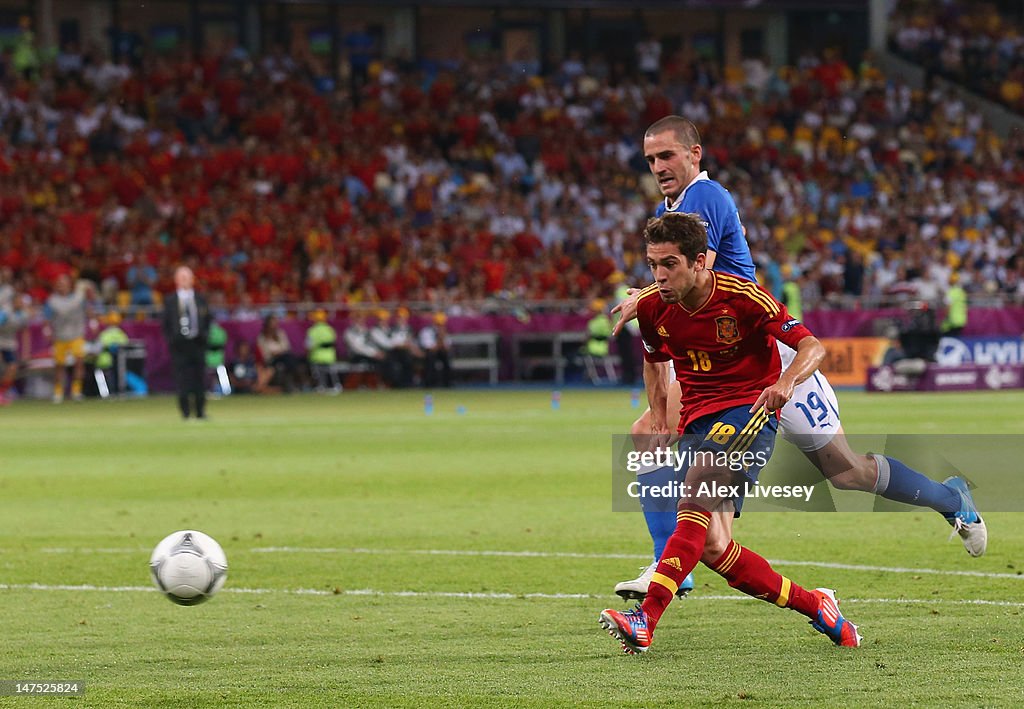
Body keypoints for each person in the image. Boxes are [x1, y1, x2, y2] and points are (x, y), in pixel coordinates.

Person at [609, 115, 986, 602]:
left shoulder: (705, 198)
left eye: (667, 155)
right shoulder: (678, 205)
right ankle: (674, 565)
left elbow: (697, 278)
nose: (659, 166)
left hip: (773, 356)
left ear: (694, 154)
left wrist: (646, 295)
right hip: (728, 363)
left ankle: (951, 498)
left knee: (846, 472)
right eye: (651, 159)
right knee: (657, 440)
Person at [600, 212, 860, 654]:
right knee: (715, 548)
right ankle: (818, 608)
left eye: (670, 265)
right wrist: (661, 418)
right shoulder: (651, 305)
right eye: (652, 264)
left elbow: (812, 347)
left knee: (694, 494)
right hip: (698, 418)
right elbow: (654, 357)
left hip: (747, 412)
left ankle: (646, 618)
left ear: (699, 262)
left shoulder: (743, 298)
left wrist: (785, 382)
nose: (659, 276)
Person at [162, 266, 211, 420]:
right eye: (181, 277)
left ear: (192, 279)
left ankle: (200, 411)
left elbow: (208, 319)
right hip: (179, 345)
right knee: (182, 379)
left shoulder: (200, 298)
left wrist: (204, 335)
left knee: (199, 378)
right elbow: (166, 323)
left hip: (197, 343)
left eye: (187, 277)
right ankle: (185, 412)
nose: (184, 280)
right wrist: (172, 340)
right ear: (176, 280)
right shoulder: (170, 300)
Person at [46, 274, 94, 403]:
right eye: (59, 284)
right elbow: (47, 318)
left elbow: (89, 311)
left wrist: (90, 299)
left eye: (64, 283)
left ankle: (76, 391)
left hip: (76, 335)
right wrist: (47, 331)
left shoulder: (79, 298)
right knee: (59, 365)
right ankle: (58, 392)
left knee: (79, 362)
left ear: (69, 285)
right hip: (60, 336)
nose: (62, 286)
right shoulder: (52, 301)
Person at [0, 276, 29, 404]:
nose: (21, 303)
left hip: (9, 343)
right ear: (13, 302)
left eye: (21, 301)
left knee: (12, 367)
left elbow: (24, 332)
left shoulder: (23, 315)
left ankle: (2, 392)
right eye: (18, 301)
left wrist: (25, 351)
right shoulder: (5, 313)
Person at [257, 314, 303, 393]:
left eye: (275, 323)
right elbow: (266, 353)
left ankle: (293, 384)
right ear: (267, 324)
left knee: (291, 359)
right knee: (289, 360)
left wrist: (278, 352)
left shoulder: (280, 333)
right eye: (272, 323)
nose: (274, 326)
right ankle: (298, 382)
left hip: (283, 357)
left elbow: (287, 347)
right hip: (271, 360)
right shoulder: (262, 337)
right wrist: (277, 352)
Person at [94, 311, 130, 395]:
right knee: (113, 378)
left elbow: (98, 347)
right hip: (115, 363)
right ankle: (115, 391)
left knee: (106, 378)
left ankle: (106, 393)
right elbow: (126, 343)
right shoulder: (120, 333)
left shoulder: (105, 334)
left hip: (105, 362)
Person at [306, 309, 340, 390]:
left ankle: (321, 386)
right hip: (330, 356)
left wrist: (308, 355)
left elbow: (309, 346)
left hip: (316, 357)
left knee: (316, 370)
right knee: (331, 371)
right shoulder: (330, 329)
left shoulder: (312, 331)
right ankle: (336, 385)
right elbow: (335, 342)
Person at [418, 312, 452, 388]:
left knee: (446, 356)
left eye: (441, 324)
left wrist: (442, 338)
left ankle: (447, 383)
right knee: (430, 358)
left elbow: (447, 348)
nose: (440, 326)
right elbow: (431, 348)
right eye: (438, 324)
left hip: (440, 352)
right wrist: (440, 338)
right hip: (428, 353)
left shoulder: (445, 332)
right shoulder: (426, 331)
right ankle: (429, 383)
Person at [942, 272, 967, 337]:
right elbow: (964, 306)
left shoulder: (950, 292)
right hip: (961, 320)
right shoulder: (962, 292)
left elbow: (948, 307)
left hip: (952, 321)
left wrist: (944, 318)